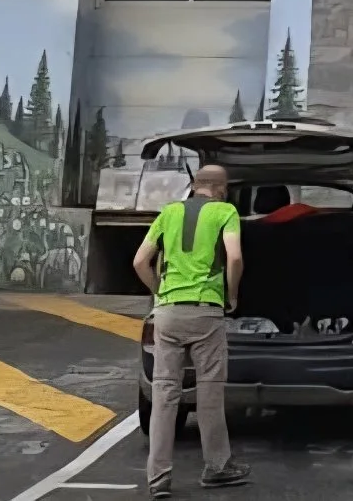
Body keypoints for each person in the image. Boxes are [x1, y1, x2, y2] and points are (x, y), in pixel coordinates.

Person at [132, 164, 249, 494]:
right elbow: (235, 258)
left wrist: (159, 292)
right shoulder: (225, 212)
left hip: (167, 314)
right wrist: (232, 295)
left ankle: (158, 478)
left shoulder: (168, 212)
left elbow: (140, 261)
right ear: (221, 188)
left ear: (195, 185)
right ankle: (217, 467)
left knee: (164, 394)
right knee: (209, 392)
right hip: (205, 312)